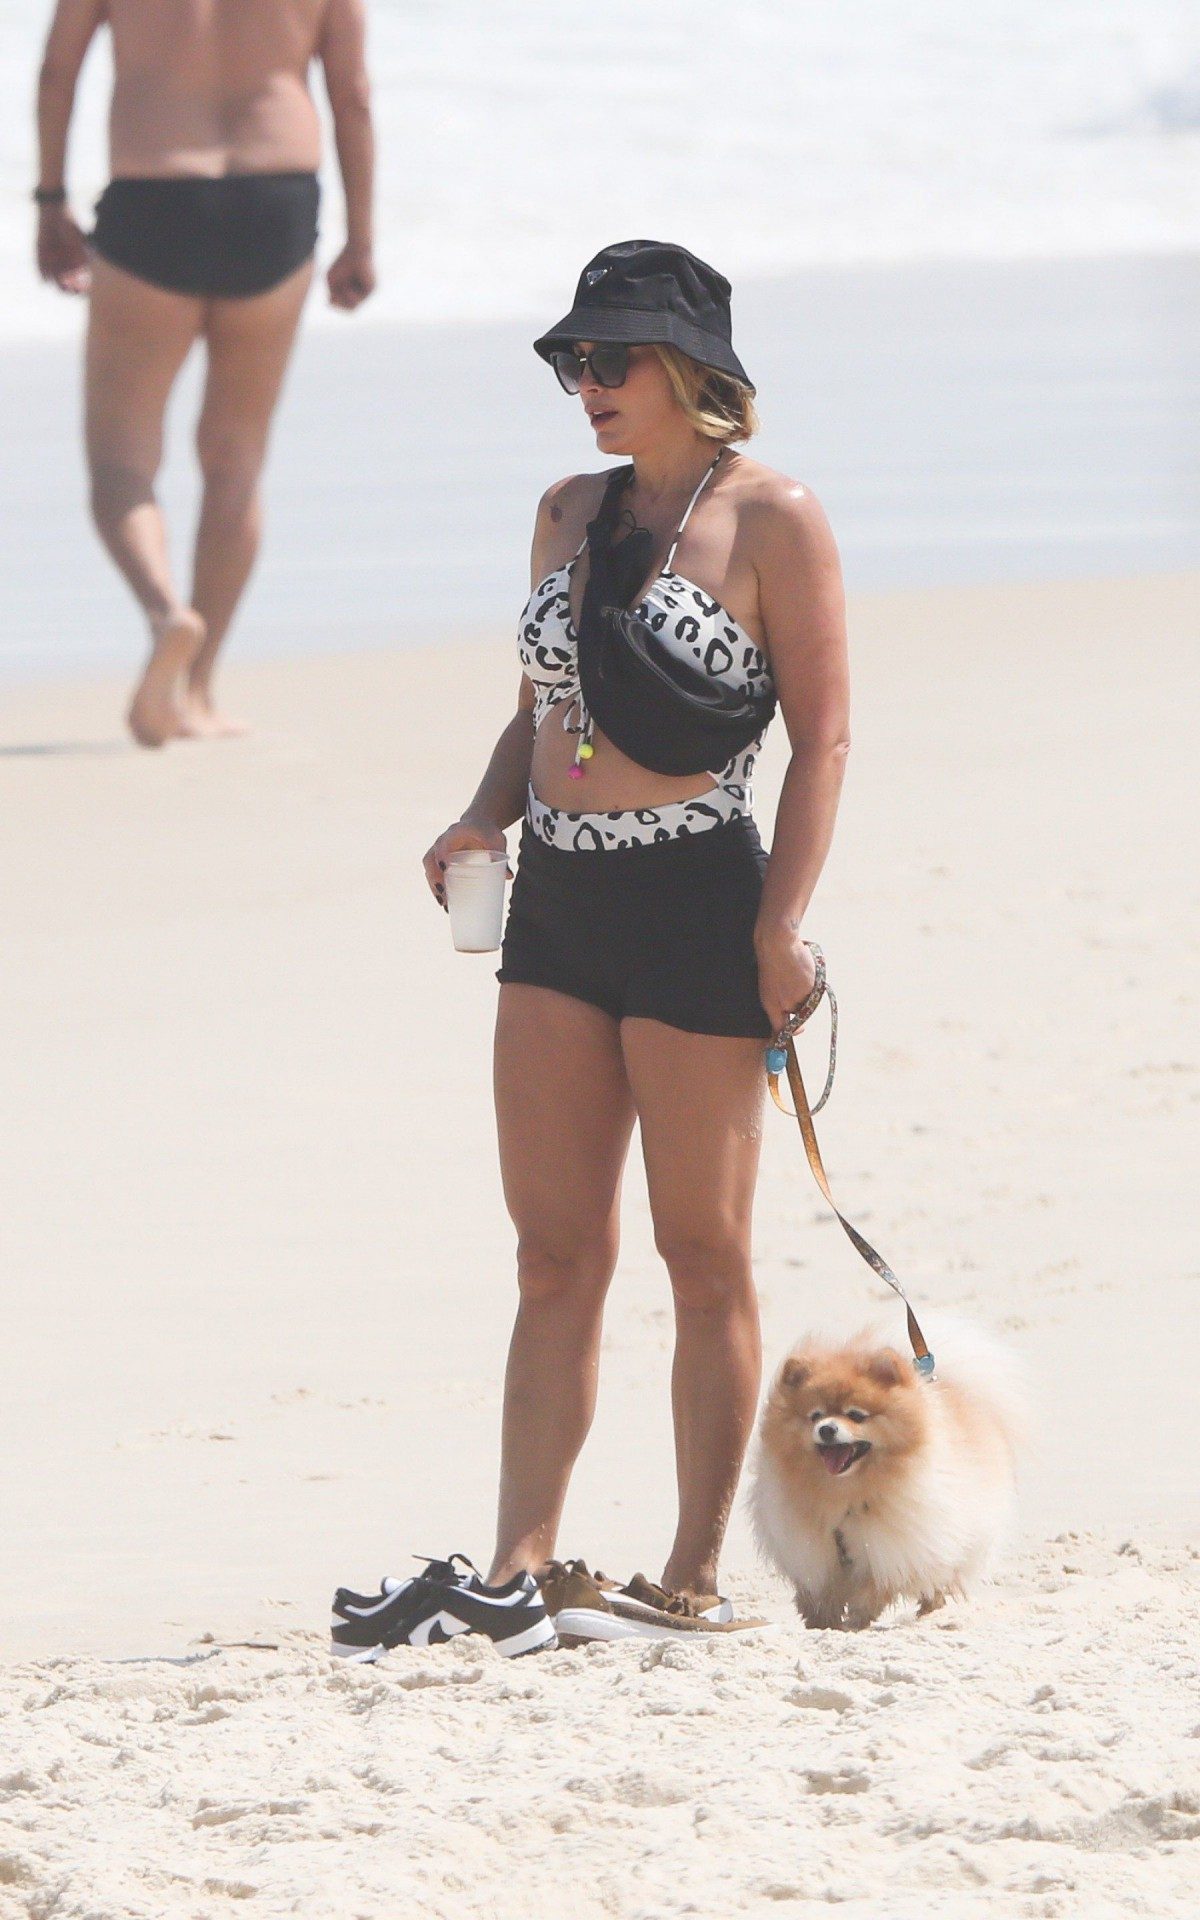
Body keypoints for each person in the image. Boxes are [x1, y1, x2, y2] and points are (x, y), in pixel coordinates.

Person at [34, 0, 375, 745]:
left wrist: (51, 200)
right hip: (274, 204)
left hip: (155, 198)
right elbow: (351, 95)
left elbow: (58, 69)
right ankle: (195, 690)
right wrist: (361, 238)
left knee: (121, 461)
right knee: (236, 459)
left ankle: (166, 613)